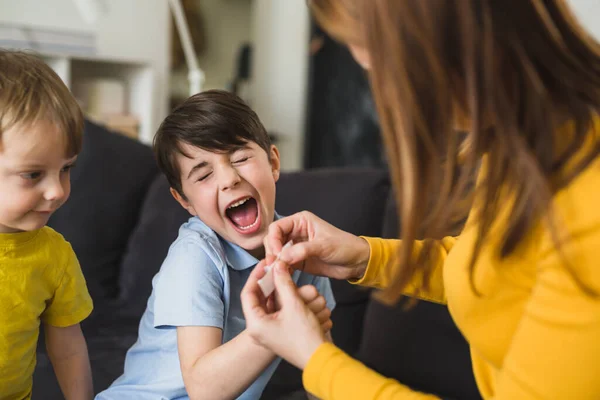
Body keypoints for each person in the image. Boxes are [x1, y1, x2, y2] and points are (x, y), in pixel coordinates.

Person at [240, 0, 600, 399]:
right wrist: (364, 256)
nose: (383, 92)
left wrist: (314, 358)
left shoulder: (588, 202)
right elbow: (497, 273)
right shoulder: (535, 139)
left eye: (383, 66)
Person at [96, 90, 335, 400]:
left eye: (240, 158)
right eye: (204, 174)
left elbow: (322, 366)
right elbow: (204, 390)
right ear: (185, 201)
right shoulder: (195, 256)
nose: (228, 179)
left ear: (274, 163)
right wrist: (275, 331)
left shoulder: (302, 248)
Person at [0, 50, 94, 399]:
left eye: (66, 168)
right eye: (33, 174)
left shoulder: (54, 255)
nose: (56, 191)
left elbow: (68, 348)